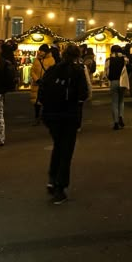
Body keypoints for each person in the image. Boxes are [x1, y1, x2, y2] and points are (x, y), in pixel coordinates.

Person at [39, 43, 88, 204]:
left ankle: (52, 179)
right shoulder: (77, 71)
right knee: (66, 151)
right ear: (77, 56)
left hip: (51, 115)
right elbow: (84, 94)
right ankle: (60, 187)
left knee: (58, 146)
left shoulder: (53, 69)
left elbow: (42, 89)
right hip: (69, 115)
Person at [104, 44, 129, 130]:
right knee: (121, 101)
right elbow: (127, 65)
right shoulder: (124, 59)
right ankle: (121, 116)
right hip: (122, 82)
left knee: (114, 102)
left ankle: (115, 122)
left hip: (113, 81)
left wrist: (108, 79)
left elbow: (106, 72)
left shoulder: (108, 60)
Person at [30, 44, 55, 125]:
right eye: (40, 51)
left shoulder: (51, 60)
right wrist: (36, 79)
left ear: (46, 52)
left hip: (46, 84)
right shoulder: (36, 60)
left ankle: (46, 117)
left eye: (42, 51)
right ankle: (37, 118)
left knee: (46, 101)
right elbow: (32, 71)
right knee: (36, 102)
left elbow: (52, 72)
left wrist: (46, 80)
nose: (40, 52)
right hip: (37, 84)